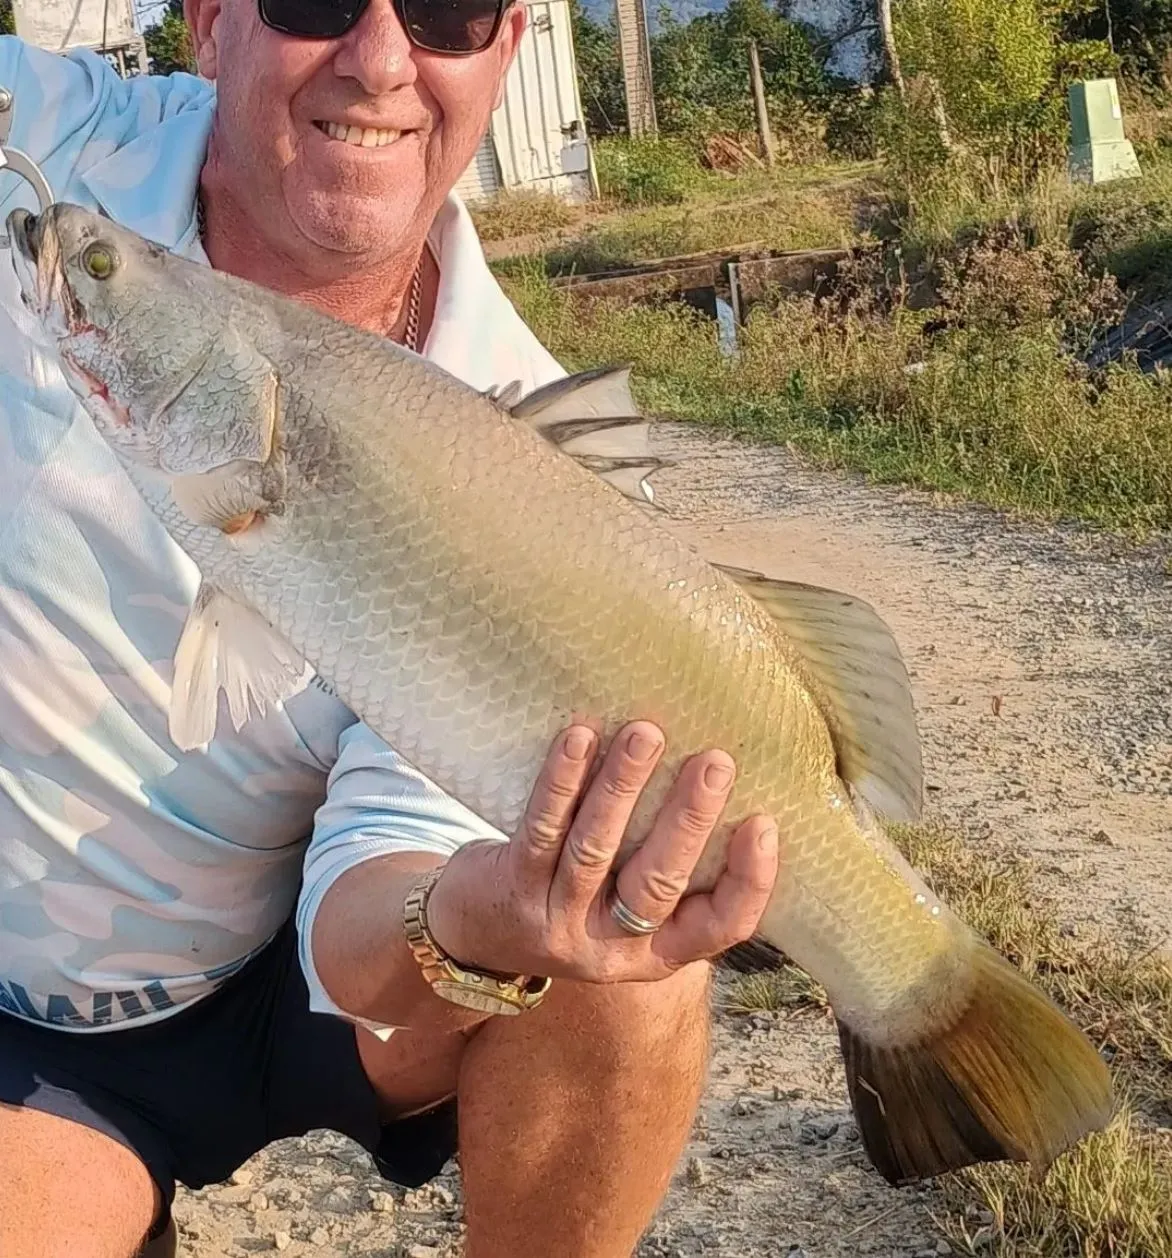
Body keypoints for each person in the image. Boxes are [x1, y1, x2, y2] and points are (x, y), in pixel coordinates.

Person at [0, 2, 779, 1255]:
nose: (376, 59)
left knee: (626, 977)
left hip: (313, 985)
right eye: (313, 0)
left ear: (508, 47)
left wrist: (482, 915)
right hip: (41, 1031)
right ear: (208, 24)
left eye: (448, 9)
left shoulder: (548, 477)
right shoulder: (69, 143)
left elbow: (363, 942)